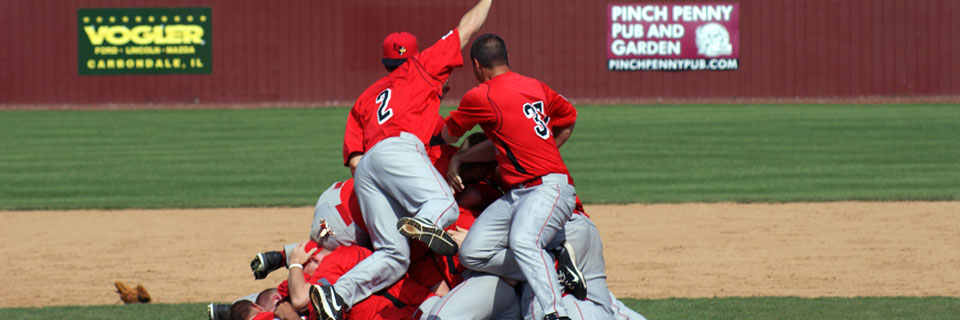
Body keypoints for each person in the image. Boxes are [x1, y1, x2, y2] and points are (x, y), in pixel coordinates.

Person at [315, 1, 494, 319]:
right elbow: (468, 28)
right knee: (445, 207)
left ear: (385, 62)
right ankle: (425, 222)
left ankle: (335, 295)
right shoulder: (422, 67)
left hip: (368, 167)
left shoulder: (367, 96)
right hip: (399, 149)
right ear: (414, 56)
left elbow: (356, 160)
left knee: (393, 255)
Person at [441, 33, 582, 320]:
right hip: (518, 194)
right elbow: (568, 119)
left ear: (476, 65)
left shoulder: (482, 95)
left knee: (523, 240)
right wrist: (461, 157)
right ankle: (553, 264)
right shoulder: (535, 86)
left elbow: (447, 133)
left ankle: (555, 312)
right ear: (507, 60)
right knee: (472, 252)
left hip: (548, 189)